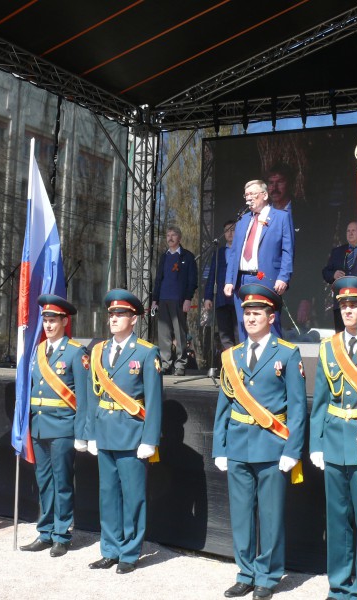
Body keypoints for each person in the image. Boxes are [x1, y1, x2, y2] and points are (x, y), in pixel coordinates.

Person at [213, 283, 306, 600]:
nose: (251, 319)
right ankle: (245, 573)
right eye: (247, 313)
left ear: (271, 317)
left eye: (257, 313)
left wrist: (292, 449)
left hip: (272, 445)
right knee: (241, 516)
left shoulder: (287, 354)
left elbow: (297, 407)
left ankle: (267, 575)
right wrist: (220, 447)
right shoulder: (232, 356)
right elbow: (224, 405)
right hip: (238, 445)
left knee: (270, 516)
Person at [85, 289, 162, 574]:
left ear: (134, 319)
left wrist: (149, 439)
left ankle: (129, 552)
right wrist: (91, 433)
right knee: (107, 495)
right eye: (112, 314)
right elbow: (92, 396)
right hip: (105, 431)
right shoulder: (98, 351)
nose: (114, 319)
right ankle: (110, 549)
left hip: (132, 434)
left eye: (121, 314)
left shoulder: (146, 352)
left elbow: (154, 400)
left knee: (132, 497)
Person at [310, 277, 357, 600]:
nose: (348, 310)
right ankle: (339, 584)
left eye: (354, 305)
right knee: (337, 520)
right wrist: (316, 444)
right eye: (344, 305)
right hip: (334, 441)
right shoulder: (328, 348)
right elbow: (320, 401)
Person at [19, 294, 89, 557]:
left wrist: (81, 433)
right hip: (39, 426)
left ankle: (62, 534)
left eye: (53, 320)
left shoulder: (75, 352)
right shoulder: (37, 351)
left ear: (64, 321)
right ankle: (45, 531)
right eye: (46, 320)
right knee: (44, 481)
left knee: (62, 482)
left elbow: (83, 397)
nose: (48, 325)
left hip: (62, 426)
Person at [224, 180, 294, 341]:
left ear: (265, 195)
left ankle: (274, 357)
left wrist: (284, 277)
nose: (248, 198)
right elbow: (234, 253)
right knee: (244, 325)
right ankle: (247, 357)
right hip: (241, 280)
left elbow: (288, 250)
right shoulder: (242, 220)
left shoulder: (281, 217)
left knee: (269, 325)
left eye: (252, 194)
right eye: (246, 195)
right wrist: (229, 280)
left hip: (266, 279)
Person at [151, 225, 198, 375]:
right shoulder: (164, 257)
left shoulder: (187, 257)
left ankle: (180, 364)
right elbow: (158, 279)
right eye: (168, 235)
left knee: (180, 333)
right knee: (164, 334)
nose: (170, 238)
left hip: (179, 300)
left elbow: (192, 280)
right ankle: (166, 363)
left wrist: (188, 298)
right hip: (163, 299)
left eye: (173, 235)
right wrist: (155, 299)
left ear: (179, 238)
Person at [205, 220, 237, 351]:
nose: (229, 233)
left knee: (239, 332)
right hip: (221, 299)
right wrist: (208, 297)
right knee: (225, 335)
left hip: (238, 298)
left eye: (232, 230)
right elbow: (212, 275)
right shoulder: (219, 252)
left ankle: (241, 361)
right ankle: (229, 361)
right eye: (226, 231)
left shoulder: (242, 250)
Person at [321, 221, 357, 332]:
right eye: (348, 231)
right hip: (341, 303)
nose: (350, 233)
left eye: (353, 230)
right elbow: (325, 272)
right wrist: (333, 274)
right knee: (341, 336)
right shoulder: (338, 252)